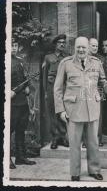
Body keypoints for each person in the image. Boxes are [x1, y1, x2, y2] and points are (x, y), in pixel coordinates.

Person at [54, 37, 107, 181]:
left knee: (93, 142)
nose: (81, 50)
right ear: (75, 48)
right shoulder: (66, 63)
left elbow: (103, 81)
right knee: (74, 143)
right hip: (73, 109)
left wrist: (106, 91)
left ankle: (94, 170)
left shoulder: (97, 63)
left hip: (92, 108)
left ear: (88, 48)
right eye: (78, 47)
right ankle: (75, 172)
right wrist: (61, 110)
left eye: (83, 47)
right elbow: (58, 88)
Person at [10, 38, 36, 169]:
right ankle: (6, 159)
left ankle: (20, 157)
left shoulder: (20, 61)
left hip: (22, 101)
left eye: (15, 45)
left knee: (21, 128)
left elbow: (24, 78)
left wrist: (26, 86)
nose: (13, 48)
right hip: (11, 102)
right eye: (10, 45)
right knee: (8, 130)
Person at [42, 34, 69, 149]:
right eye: (60, 42)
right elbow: (44, 76)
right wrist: (46, 92)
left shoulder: (68, 57)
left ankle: (63, 137)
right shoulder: (48, 57)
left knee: (63, 112)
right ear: (55, 44)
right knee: (52, 113)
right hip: (51, 88)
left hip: (64, 89)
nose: (62, 44)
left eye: (64, 42)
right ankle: (55, 138)